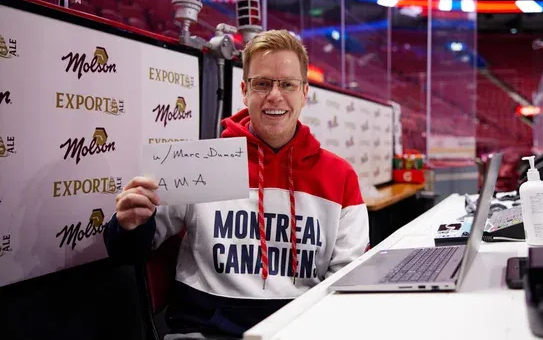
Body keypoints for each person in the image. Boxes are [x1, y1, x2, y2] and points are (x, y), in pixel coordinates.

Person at [104, 29, 369, 339]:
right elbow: (129, 251)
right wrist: (130, 224)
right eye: (262, 83)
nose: (274, 94)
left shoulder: (340, 176)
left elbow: (346, 281)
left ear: (304, 92)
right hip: (204, 333)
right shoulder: (199, 163)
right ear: (244, 91)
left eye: (287, 84)